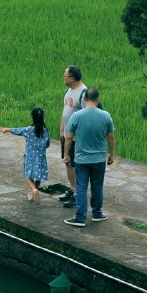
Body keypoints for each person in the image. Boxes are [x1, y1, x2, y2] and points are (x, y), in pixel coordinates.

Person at [63, 87, 116, 227]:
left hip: (81, 159)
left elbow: (68, 137)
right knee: (97, 187)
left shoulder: (77, 116)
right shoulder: (106, 115)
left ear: (85, 99)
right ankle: (97, 213)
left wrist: (66, 154)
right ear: (97, 100)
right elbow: (111, 137)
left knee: (81, 187)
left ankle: (80, 217)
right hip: (99, 159)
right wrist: (111, 155)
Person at [1, 106, 51, 203]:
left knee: (28, 176)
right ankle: (33, 193)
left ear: (32, 117)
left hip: (30, 157)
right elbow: (47, 144)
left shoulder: (29, 129)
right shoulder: (45, 131)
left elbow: (18, 130)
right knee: (38, 177)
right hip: (40, 158)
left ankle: (33, 190)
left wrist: (8, 129)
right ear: (42, 118)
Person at [58, 65, 87, 207]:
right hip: (66, 136)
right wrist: (62, 130)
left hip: (76, 138)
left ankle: (78, 195)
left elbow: (87, 116)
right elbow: (66, 111)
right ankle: (73, 189)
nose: (63, 78)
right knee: (68, 163)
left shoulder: (83, 94)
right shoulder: (68, 90)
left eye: (65, 76)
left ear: (72, 78)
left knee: (76, 166)